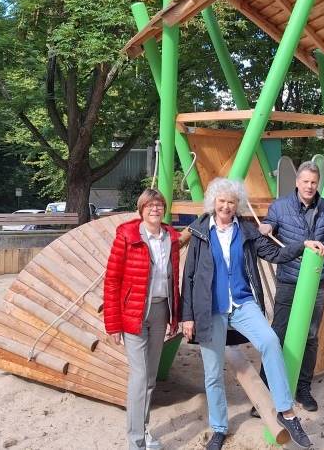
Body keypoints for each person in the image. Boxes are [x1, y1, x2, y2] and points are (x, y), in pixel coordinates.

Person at [181, 178, 322, 450]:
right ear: (213, 203)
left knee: (269, 341)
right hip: (210, 308)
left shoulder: (245, 230)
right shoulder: (200, 231)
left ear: (237, 205)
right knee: (212, 373)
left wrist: (302, 244)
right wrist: (187, 316)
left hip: (243, 303)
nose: (226, 206)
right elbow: (189, 276)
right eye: (221, 201)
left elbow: (273, 253)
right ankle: (219, 428)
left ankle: (286, 411)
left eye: (231, 202)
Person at [257, 161, 324, 412]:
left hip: (317, 284)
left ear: (317, 184)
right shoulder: (280, 207)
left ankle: (303, 389)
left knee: (310, 337)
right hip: (288, 281)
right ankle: (266, 391)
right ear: (297, 182)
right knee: (277, 335)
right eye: (305, 181)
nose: (309, 186)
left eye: (313, 182)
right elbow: (268, 227)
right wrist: (266, 227)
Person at [103, 189, 181, 450]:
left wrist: (175, 316)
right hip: (134, 313)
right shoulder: (127, 236)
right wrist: (113, 324)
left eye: (159, 205)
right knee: (139, 375)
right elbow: (112, 281)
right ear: (141, 210)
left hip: (160, 311)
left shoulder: (171, 237)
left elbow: (174, 279)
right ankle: (135, 441)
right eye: (150, 206)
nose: (155, 210)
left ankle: (145, 430)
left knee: (150, 378)